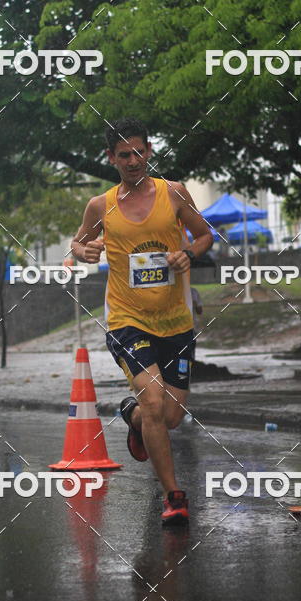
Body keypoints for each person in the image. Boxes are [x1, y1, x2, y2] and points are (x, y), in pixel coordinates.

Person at [71, 118, 213, 524]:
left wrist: (189, 253)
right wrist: (83, 251)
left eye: (138, 152)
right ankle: (173, 496)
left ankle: (132, 416)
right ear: (111, 158)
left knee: (170, 417)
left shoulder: (174, 192)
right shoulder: (101, 205)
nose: (133, 161)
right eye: (124, 155)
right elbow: (78, 243)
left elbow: (204, 235)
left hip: (176, 320)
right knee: (154, 401)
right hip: (127, 319)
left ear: (149, 151)